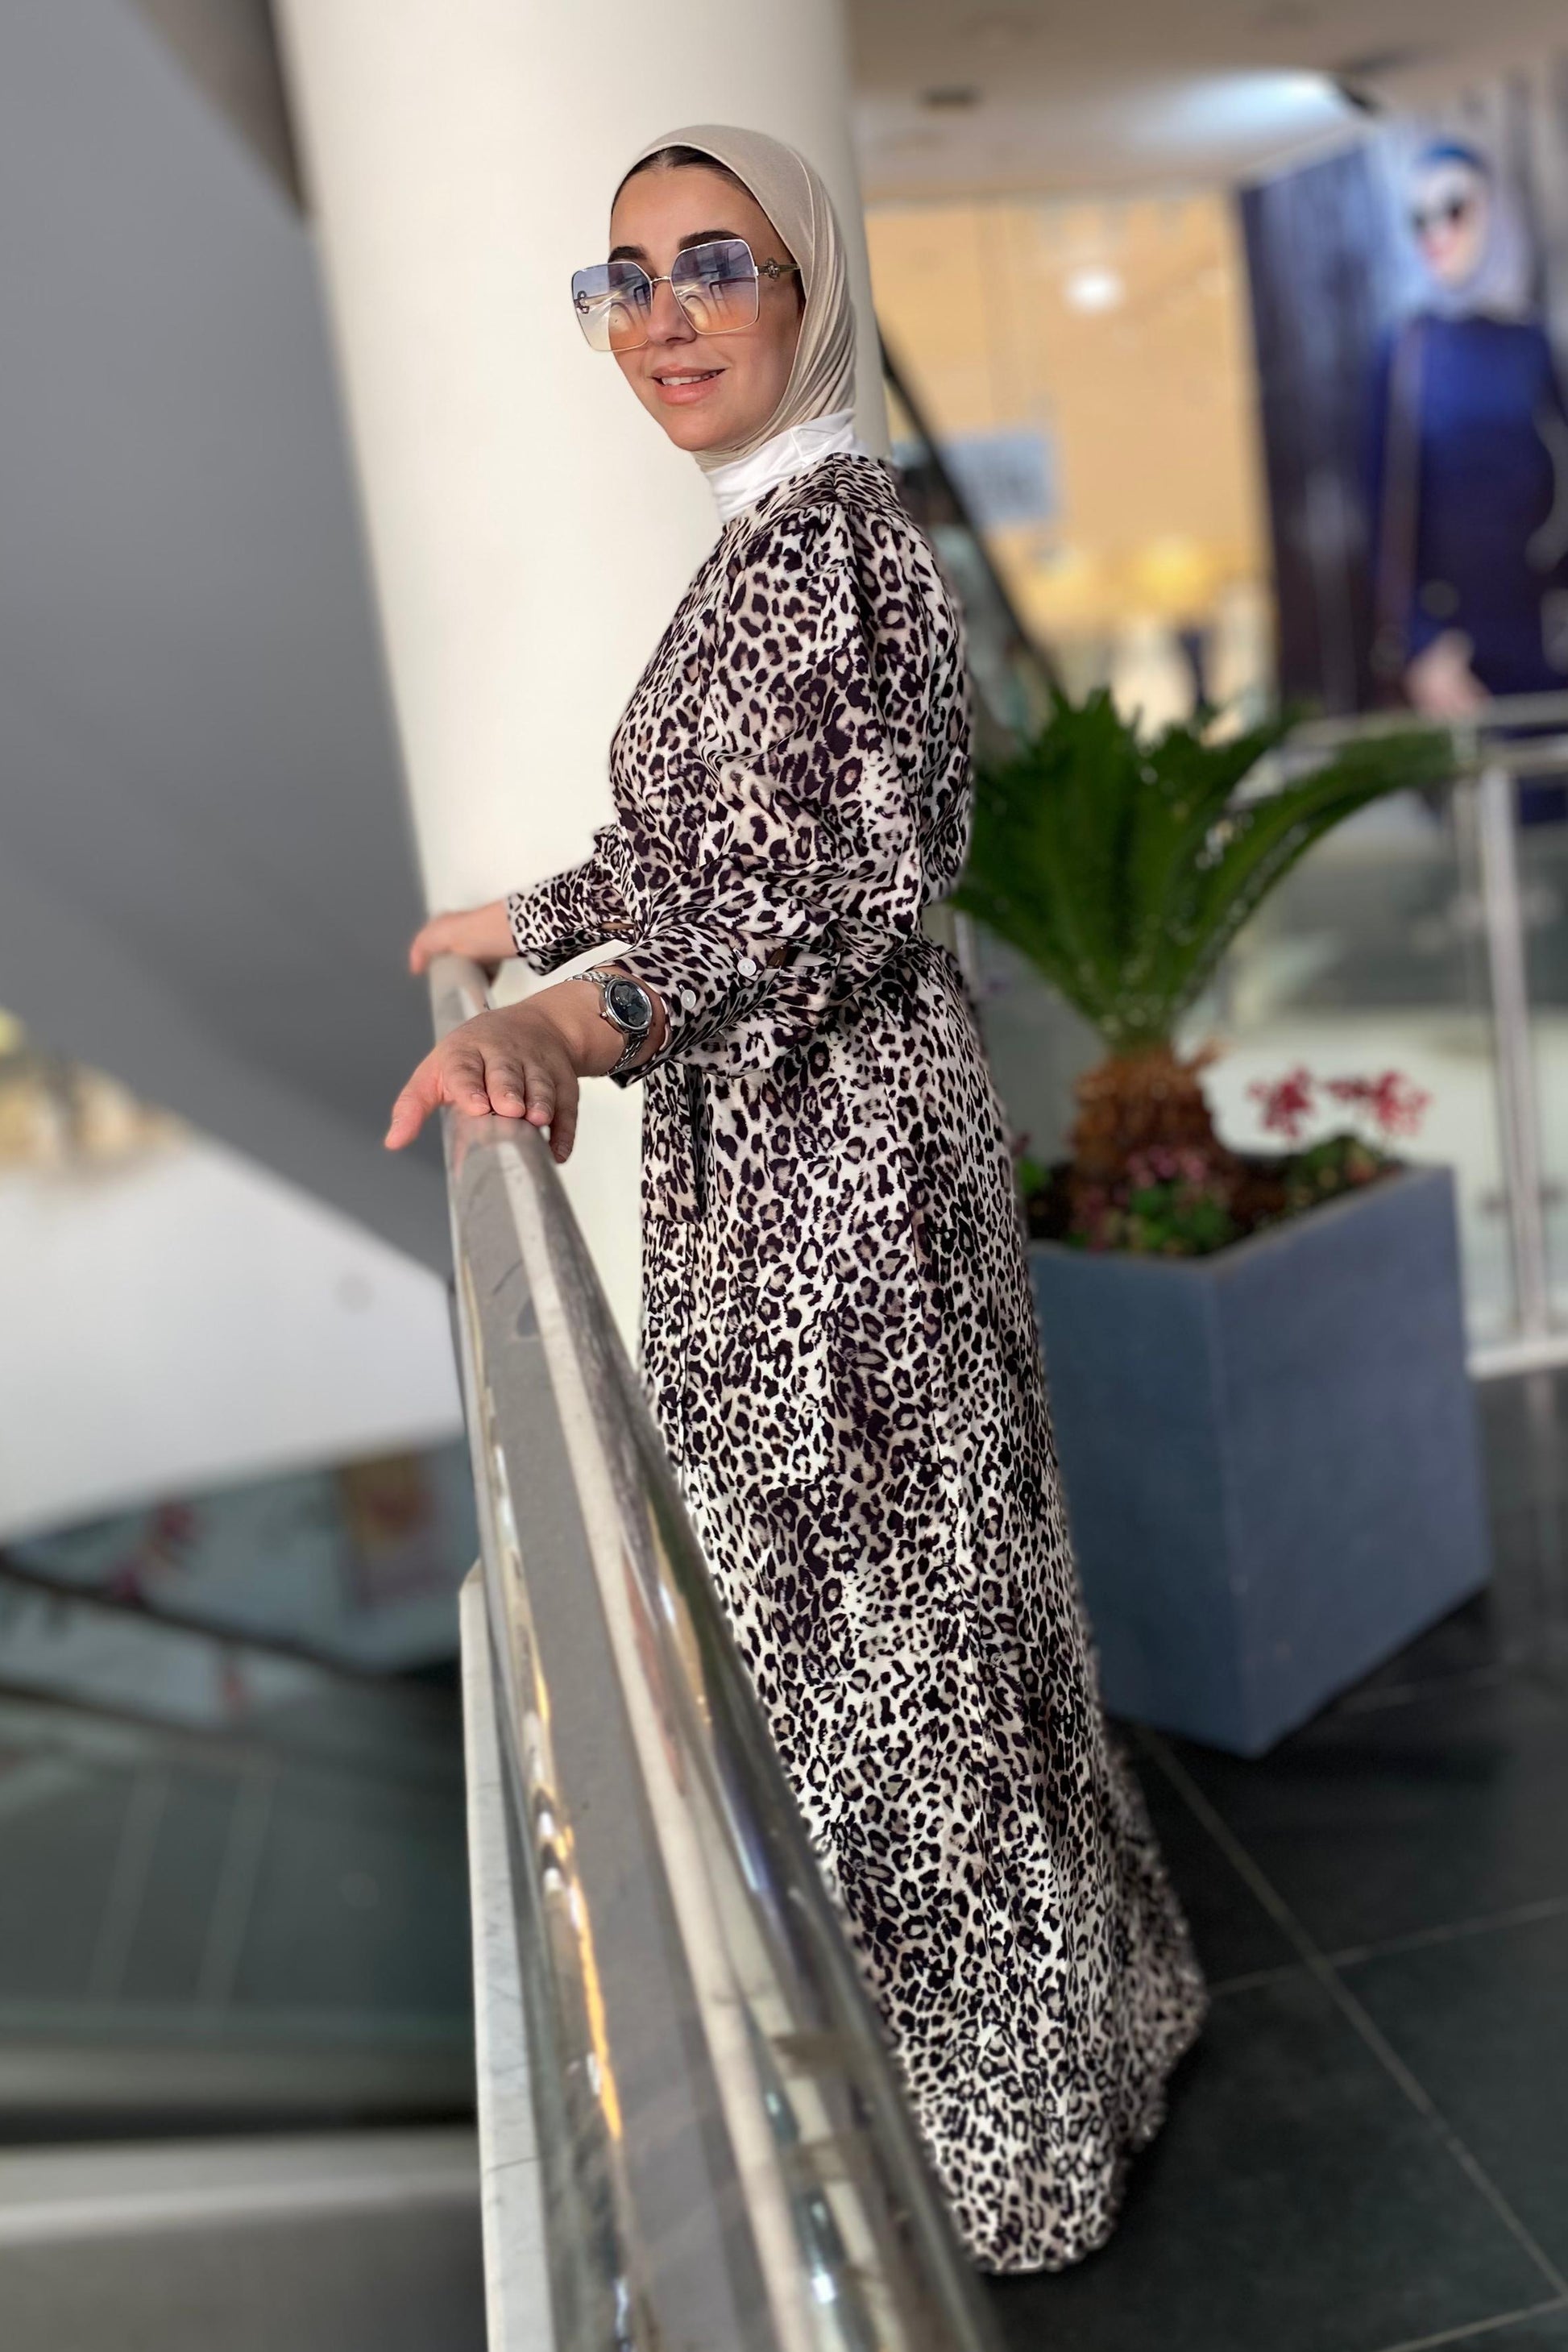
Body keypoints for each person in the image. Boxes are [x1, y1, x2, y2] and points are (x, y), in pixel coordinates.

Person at [387, 124, 1203, 2272]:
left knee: (887, 1657)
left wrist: (576, 1020)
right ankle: (1062, 2049)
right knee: (922, 1633)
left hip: (840, 1206)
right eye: (623, 280)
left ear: (803, 285)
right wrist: (540, 910)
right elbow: (728, 838)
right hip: (810, 1169)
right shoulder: (775, 531)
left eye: (711, 268)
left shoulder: (840, 533)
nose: (660, 319)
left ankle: (1002, 2150)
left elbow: (846, 885)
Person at [1371, 139, 1568, 752]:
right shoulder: (1406, 351)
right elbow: (1383, 511)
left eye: (1454, 209)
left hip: (1543, 629)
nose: (1438, 232)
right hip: (1455, 645)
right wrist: (1421, 641)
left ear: (1491, 210)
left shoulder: (1532, 343)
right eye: (1419, 219)